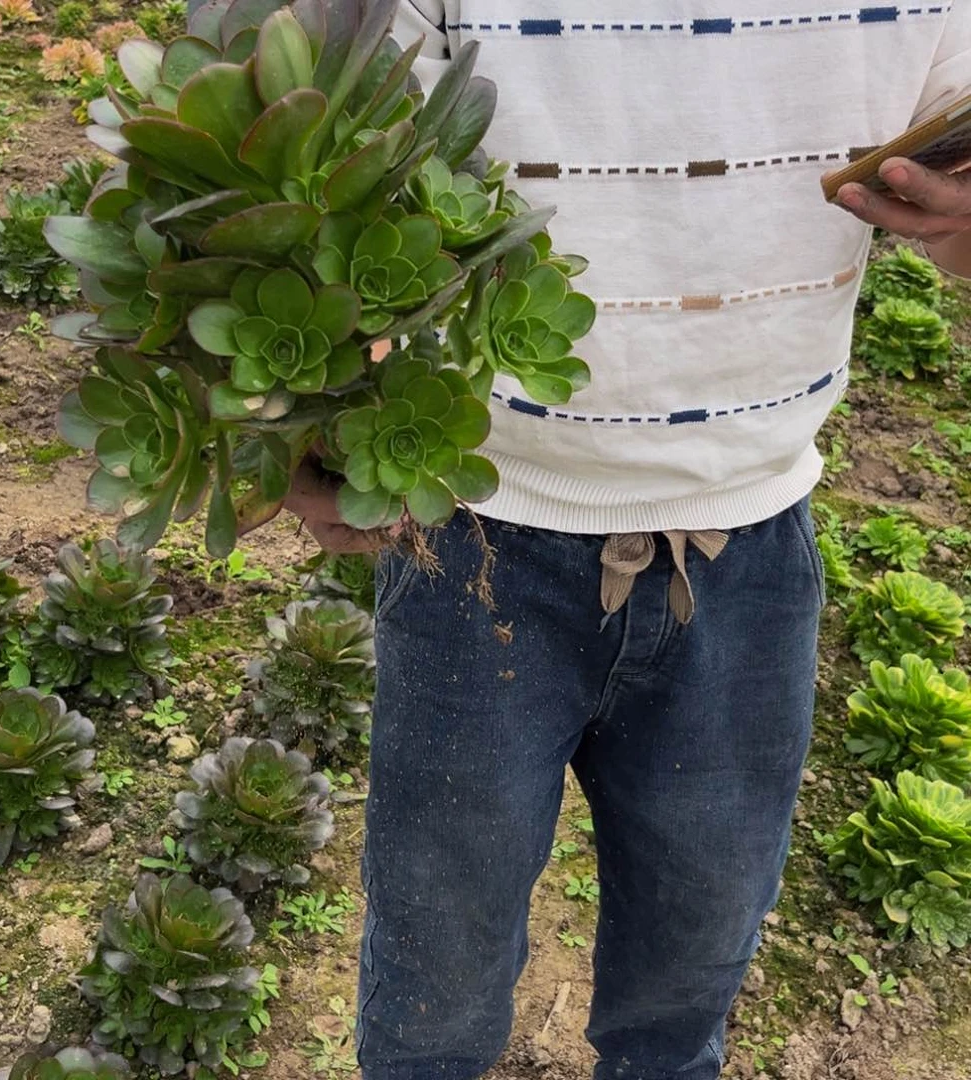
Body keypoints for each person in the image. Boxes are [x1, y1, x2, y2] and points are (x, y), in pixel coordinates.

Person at [192, 1, 971, 1076]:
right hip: (479, 545)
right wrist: (286, 421)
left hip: (748, 557)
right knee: (435, 982)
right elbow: (310, 161)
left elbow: (949, 159)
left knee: (689, 974)